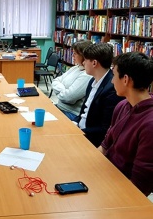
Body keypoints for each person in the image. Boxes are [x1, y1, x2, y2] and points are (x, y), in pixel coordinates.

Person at [98, 52, 153, 196]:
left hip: (121, 191)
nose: (111, 81)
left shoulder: (150, 124)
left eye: (114, 75)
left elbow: (140, 185)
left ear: (126, 80)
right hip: (106, 176)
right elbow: (104, 147)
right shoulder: (122, 106)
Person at [74, 42, 124, 147]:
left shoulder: (112, 89)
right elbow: (83, 112)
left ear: (94, 63)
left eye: (86, 60)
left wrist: (77, 132)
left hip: (90, 138)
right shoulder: (92, 80)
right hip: (80, 129)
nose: (83, 63)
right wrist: (73, 124)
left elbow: (105, 129)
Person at [51, 39, 92, 120]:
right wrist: (64, 91)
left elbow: (69, 98)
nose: (72, 56)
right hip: (60, 107)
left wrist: (60, 92)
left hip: (70, 113)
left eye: (75, 54)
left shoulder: (87, 75)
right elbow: (55, 80)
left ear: (83, 56)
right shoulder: (75, 68)